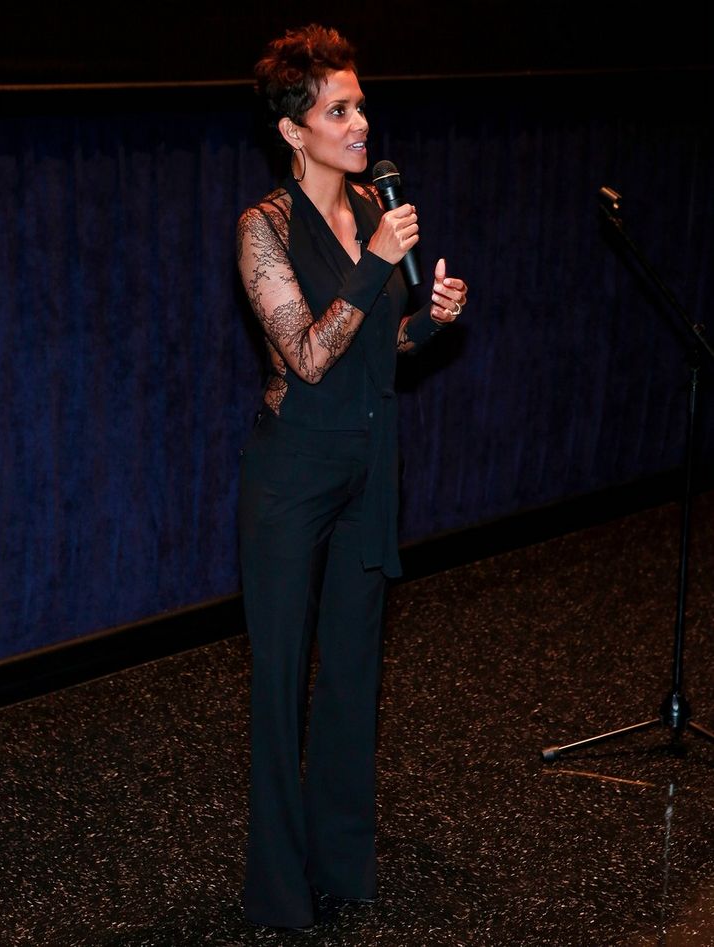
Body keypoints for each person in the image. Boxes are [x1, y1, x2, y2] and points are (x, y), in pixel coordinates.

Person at [236, 23, 468, 932]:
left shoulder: (375, 206)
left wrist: (431, 320)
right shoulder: (264, 228)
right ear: (294, 131)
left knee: (351, 676)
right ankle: (279, 891)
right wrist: (375, 268)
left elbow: (380, 347)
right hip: (292, 478)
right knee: (280, 684)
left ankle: (340, 863)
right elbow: (307, 354)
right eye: (338, 111)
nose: (360, 122)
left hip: (368, 467)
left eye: (360, 105)